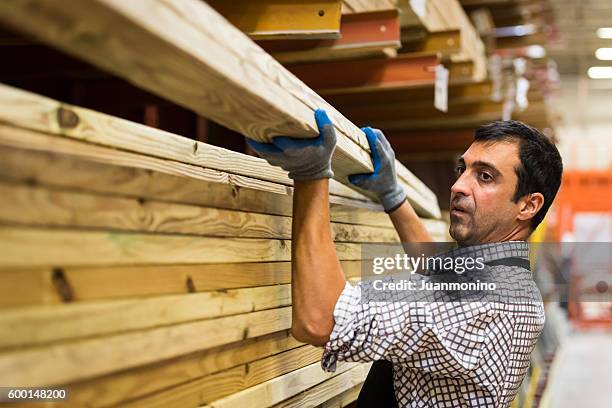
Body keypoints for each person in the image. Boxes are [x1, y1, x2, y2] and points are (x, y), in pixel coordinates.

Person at [247, 109, 563, 407]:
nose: (458, 186)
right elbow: (441, 274)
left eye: (484, 177)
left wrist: (311, 173)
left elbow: (320, 319)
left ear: (528, 205)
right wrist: (394, 197)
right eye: (462, 169)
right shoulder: (507, 278)